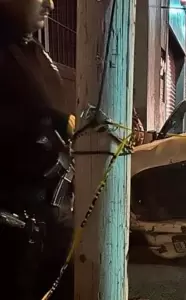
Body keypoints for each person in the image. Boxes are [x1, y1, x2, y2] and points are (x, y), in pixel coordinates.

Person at [0, 0, 75, 299]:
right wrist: (45, 120)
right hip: (11, 241)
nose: (51, 5)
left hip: (49, 226)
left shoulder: (33, 49)